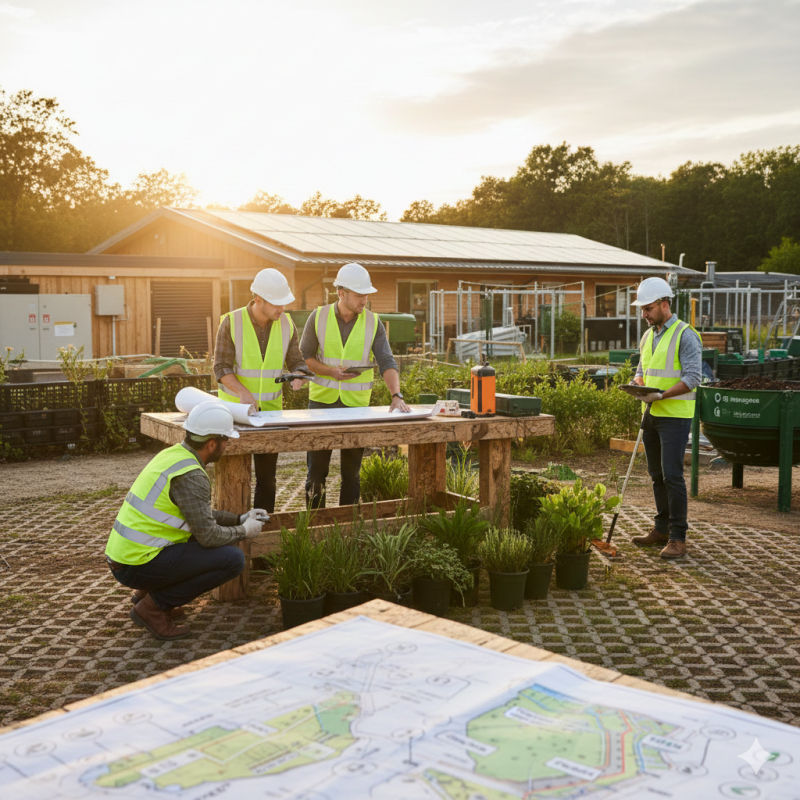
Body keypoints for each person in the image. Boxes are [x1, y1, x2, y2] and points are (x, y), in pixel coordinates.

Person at [105, 402, 267, 640]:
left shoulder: (173, 456)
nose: (227, 445)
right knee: (232, 560)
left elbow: (195, 515)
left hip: (127, 556)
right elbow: (208, 536)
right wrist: (243, 531)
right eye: (226, 440)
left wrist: (239, 518)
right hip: (136, 564)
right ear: (212, 444)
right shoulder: (191, 476)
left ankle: (147, 594)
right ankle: (153, 607)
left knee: (202, 543)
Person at [301, 262, 411, 507]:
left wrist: (397, 394)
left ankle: (346, 531)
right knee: (316, 473)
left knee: (351, 474)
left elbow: (386, 361)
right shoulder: (317, 317)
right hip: (321, 405)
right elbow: (306, 357)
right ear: (342, 294)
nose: (365, 300)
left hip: (357, 408)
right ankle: (313, 528)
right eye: (360, 295)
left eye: (367, 295)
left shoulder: (373, 322)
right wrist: (330, 372)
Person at [214, 268, 307, 513]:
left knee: (267, 480)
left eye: (284, 303)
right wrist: (243, 393)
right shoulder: (231, 322)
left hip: (270, 416)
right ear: (258, 300)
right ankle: (233, 535)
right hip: (234, 415)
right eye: (277, 304)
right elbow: (221, 368)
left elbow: (296, 361)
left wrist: (299, 375)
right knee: (233, 478)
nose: (282, 309)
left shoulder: (287, 324)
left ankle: (263, 533)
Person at [630, 277, 702, 559]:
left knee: (672, 475)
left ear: (664, 304)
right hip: (650, 414)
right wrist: (636, 382)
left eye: (648, 308)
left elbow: (693, 378)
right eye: (642, 309)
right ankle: (660, 528)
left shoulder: (686, 334)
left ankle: (677, 537)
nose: (644, 314)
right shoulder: (648, 336)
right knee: (656, 475)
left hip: (673, 416)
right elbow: (642, 368)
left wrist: (660, 396)